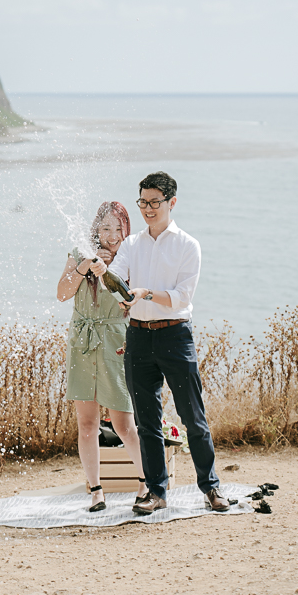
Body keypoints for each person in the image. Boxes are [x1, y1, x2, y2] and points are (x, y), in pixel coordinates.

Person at [93, 171, 228, 516]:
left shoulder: (188, 245)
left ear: (172, 203)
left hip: (175, 336)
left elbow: (182, 297)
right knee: (147, 422)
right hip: (137, 336)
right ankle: (155, 492)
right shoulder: (132, 244)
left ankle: (210, 488)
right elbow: (119, 280)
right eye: (143, 202)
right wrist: (107, 278)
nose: (148, 209)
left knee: (192, 417)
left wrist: (144, 293)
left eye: (155, 202)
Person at [57, 201, 148, 511]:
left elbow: (128, 301)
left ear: (126, 230)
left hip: (115, 342)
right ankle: (96, 491)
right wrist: (85, 266)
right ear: (95, 229)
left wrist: (108, 272)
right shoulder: (79, 253)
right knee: (87, 423)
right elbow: (62, 292)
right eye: (105, 228)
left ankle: (146, 483)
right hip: (82, 342)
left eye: (118, 229)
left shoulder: (132, 254)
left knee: (124, 423)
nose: (112, 235)